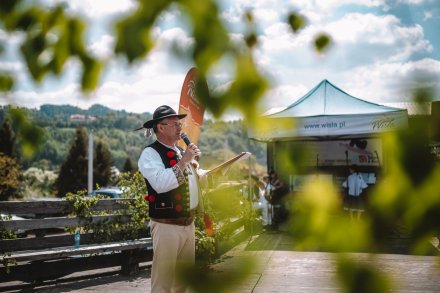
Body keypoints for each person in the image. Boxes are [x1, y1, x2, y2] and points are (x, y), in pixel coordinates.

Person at [137, 105, 205, 293]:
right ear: (160, 127)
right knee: (163, 283)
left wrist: (207, 174)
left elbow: (190, 182)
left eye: (179, 123)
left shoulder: (179, 152)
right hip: (166, 225)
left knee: (182, 283)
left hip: (188, 224)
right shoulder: (150, 154)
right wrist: (184, 161)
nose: (180, 128)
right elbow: (160, 184)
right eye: (175, 124)